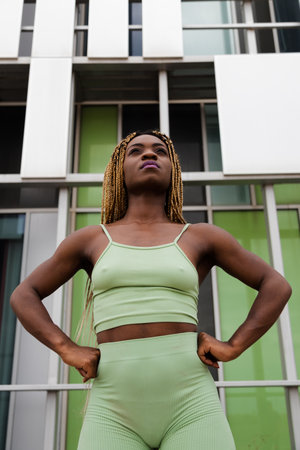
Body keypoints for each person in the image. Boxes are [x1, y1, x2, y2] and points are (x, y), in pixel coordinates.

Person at [10, 130, 292, 450]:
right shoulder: (90, 239)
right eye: (137, 151)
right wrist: (66, 347)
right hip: (112, 410)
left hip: (192, 406)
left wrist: (234, 346)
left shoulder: (201, 237)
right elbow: (24, 294)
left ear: (173, 170)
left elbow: (276, 285)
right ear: (120, 169)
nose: (149, 154)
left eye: (160, 151)